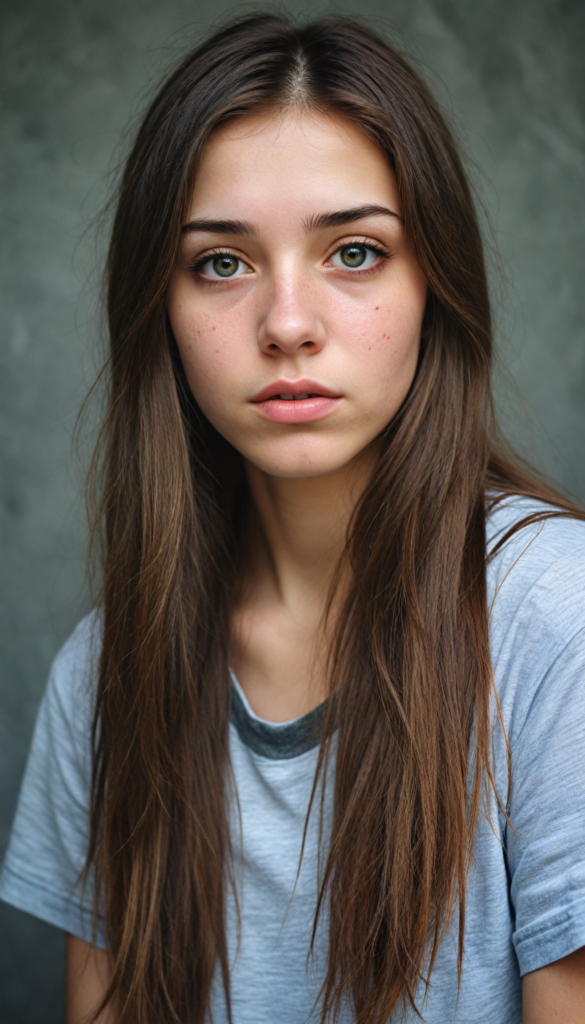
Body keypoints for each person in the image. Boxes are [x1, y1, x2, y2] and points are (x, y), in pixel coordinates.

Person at [2, 13, 585, 1024]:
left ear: (434, 286)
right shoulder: (102, 675)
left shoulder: (556, 617)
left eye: (354, 252)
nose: (286, 324)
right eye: (221, 262)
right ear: (161, 310)